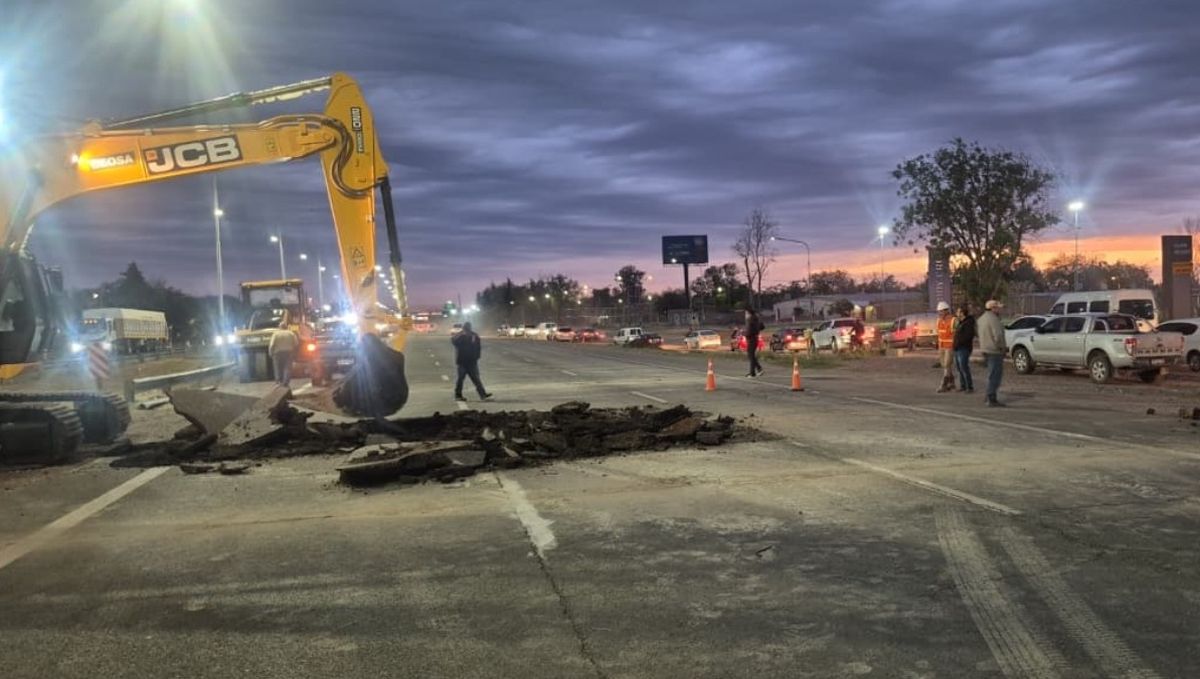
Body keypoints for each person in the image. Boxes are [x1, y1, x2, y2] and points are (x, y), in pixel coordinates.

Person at [451, 321, 493, 402]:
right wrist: (461, 335)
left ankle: (482, 394)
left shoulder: (474, 335)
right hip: (462, 361)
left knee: (476, 379)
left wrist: (477, 356)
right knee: (461, 379)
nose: (467, 330)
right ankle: (458, 395)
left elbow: (478, 347)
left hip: (471, 361)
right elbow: (453, 341)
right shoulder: (460, 335)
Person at [977, 299, 1007, 407]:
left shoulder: (981, 319)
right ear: (993, 308)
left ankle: (988, 396)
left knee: (991, 374)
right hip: (995, 350)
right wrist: (1002, 347)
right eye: (998, 307)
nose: (999, 309)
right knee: (995, 375)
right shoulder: (994, 319)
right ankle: (991, 397)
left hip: (985, 349)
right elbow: (998, 336)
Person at [952, 304, 976, 393]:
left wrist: (960, 342)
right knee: (959, 367)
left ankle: (969, 386)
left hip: (964, 348)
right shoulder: (960, 323)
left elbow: (968, 335)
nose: (956, 313)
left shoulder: (968, 323)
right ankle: (963, 385)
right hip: (957, 348)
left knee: (964, 367)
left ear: (962, 313)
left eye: (958, 312)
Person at [267, 320, 299, 387]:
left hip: (277, 353)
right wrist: (294, 352)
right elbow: (296, 344)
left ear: (279, 327)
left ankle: (278, 381)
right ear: (286, 327)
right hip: (289, 353)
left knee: (277, 368)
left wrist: (270, 352)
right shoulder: (291, 333)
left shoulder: (276, 334)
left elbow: (272, 344)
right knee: (287, 368)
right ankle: (286, 382)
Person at [935, 301, 956, 393]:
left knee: (947, 365)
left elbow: (955, 334)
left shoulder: (952, 320)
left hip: (950, 346)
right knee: (945, 365)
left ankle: (944, 384)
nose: (939, 313)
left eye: (941, 311)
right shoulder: (939, 321)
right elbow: (939, 334)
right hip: (942, 346)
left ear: (946, 311)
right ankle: (951, 383)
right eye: (939, 311)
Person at [743, 308, 765, 377]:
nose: (745, 315)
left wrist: (745, 333)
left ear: (749, 313)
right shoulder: (755, 319)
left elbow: (750, 330)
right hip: (753, 338)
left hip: (752, 339)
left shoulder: (751, 320)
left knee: (751, 356)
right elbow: (762, 326)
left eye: (746, 313)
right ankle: (759, 369)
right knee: (751, 356)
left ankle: (753, 373)